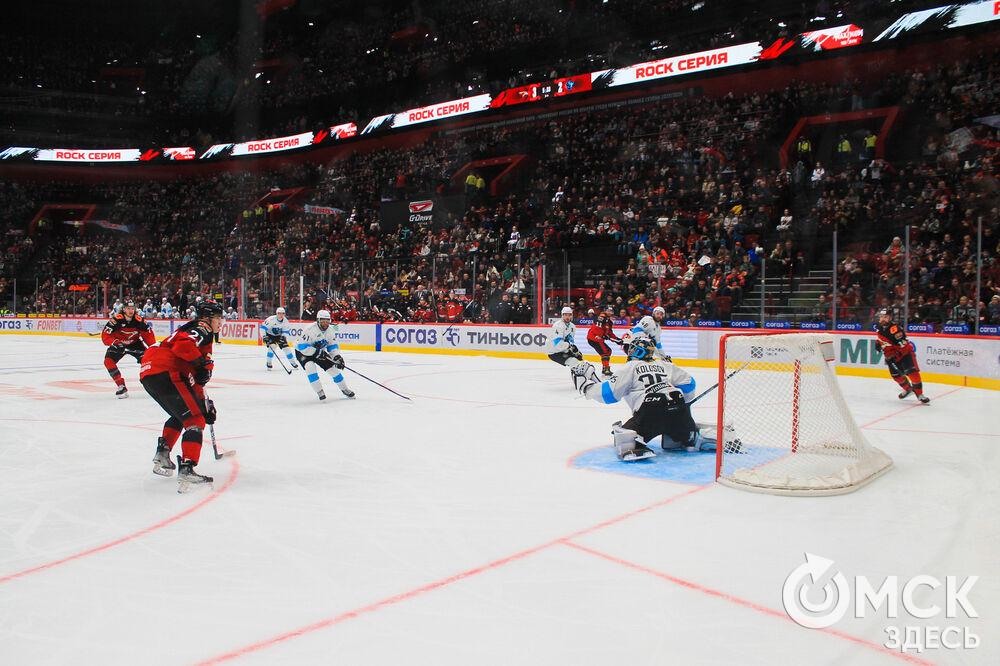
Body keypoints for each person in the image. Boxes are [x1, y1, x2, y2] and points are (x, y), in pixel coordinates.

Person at [571, 336, 711, 461]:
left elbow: (608, 395)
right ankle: (690, 436)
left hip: (651, 415)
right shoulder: (665, 365)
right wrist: (681, 403)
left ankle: (635, 444)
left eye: (632, 350)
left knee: (624, 437)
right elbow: (690, 384)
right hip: (679, 412)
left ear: (638, 351)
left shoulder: (630, 367)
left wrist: (586, 388)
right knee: (683, 430)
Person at [140, 300, 223, 492]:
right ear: (208, 318)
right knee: (195, 420)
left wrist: (203, 404)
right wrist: (202, 364)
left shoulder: (191, 329)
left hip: (151, 371)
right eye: (218, 318)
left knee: (182, 414)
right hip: (168, 370)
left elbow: (193, 379)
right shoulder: (203, 328)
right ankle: (187, 467)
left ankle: (163, 453)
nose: (220, 323)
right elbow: (183, 348)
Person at [294, 310, 355, 401]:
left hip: (319, 352)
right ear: (318, 320)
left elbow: (332, 346)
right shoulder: (310, 329)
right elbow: (302, 346)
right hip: (303, 352)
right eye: (323, 321)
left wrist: (337, 357)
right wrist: (316, 352)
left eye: (327, 321)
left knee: (333, 370)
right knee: (310, 368)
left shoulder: (330, 331)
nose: (325, 323)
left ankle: (345, 389)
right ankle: (319, 391)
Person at [101, 299, 155, 398]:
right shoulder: (116, 320)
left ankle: (157, 385)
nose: (131, 311)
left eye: (132, 308)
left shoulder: (140, 321)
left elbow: (148, 336)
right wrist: (115, 343)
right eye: (128, 308)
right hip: (119, 343)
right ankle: (121, 386)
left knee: (149, 361)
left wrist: (152, 348)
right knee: (108, 361)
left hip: (135, 343)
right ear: (124, 309)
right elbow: (105, 335)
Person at [874, 308, 930, 404]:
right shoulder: (879, 327)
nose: (882, 319)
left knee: (913, 373)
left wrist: (895, 355)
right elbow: (882, 338)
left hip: (905, 354)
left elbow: (904, 346)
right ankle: (908, 389)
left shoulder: (895, 329)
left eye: (885, 317)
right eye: (881, 317)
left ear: (890, 318)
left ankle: (920, 394)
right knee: (896, 376)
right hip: (890, 356)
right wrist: (878, 343)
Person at [259, 307, 299, 371]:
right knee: (272, 347)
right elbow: (262, 328)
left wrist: (283, 337)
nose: (281, 315)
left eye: (282, 314)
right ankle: (269, 362)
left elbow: (286, 331)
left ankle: (293, 362)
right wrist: (264, 336)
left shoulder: (285, 321)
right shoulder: (271, 320)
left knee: (287, 348)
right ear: (277, 314)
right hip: (270, 335)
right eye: (279, 313)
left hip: (279, 336)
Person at [587, 308, 623, 376]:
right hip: (594, 338)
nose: (609, 312)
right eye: (608, 310)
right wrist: (603, 335)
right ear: (605, 311)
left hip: (598, 339)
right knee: (605, 353)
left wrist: (617, 340)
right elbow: (596, 329)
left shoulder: (609, 321)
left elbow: (609, 333)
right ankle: (606, 369)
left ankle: (605, 368)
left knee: (608, 351)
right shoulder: (601, 317)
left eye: (611, 311)